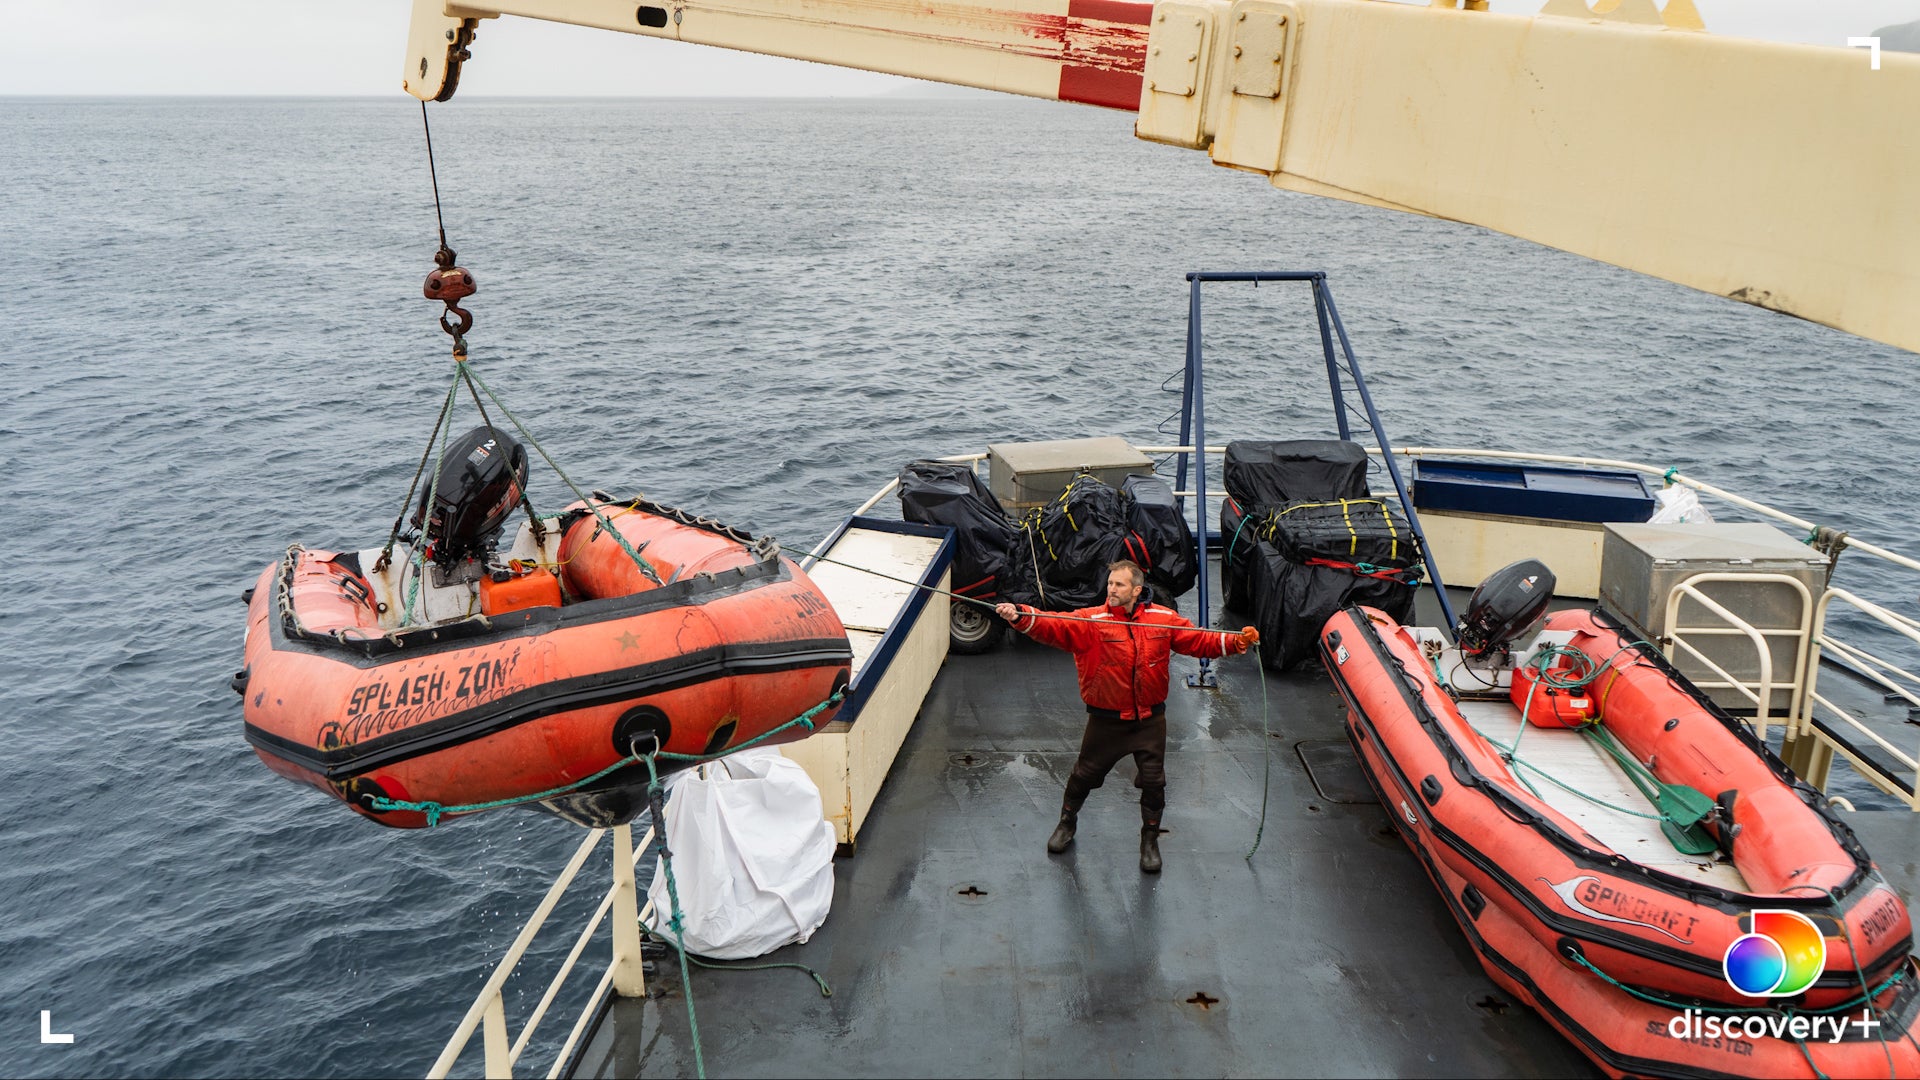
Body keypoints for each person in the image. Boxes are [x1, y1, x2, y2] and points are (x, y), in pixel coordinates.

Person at [995, 560, 1258, 873]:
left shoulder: (1164, 619)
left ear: (1136, 589)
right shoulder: (1092, 620)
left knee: (1154, 782)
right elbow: (1055, 624)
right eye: (1110, 584)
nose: (1111, 589)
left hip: (1150, 721)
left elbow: (1198, 640)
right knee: (1084, 776)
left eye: (1119, 585)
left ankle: (1149, 840)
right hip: (1106, 721)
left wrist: (1236, 641)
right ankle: (1067, 822)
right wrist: (1021, 615)